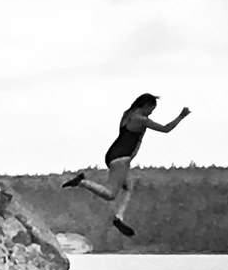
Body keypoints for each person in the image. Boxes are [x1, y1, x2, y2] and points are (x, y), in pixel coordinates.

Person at [62, 94, 191, 237]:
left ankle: (119, 217)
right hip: (121, 158)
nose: (151, 113)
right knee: (110, 194)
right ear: (146, 105)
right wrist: (181, 116)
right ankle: (83, 182)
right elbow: (166, 129)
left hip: (113, 153)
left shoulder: (127, 114)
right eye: (151, 109)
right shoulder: (141, 120)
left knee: (128, 186)